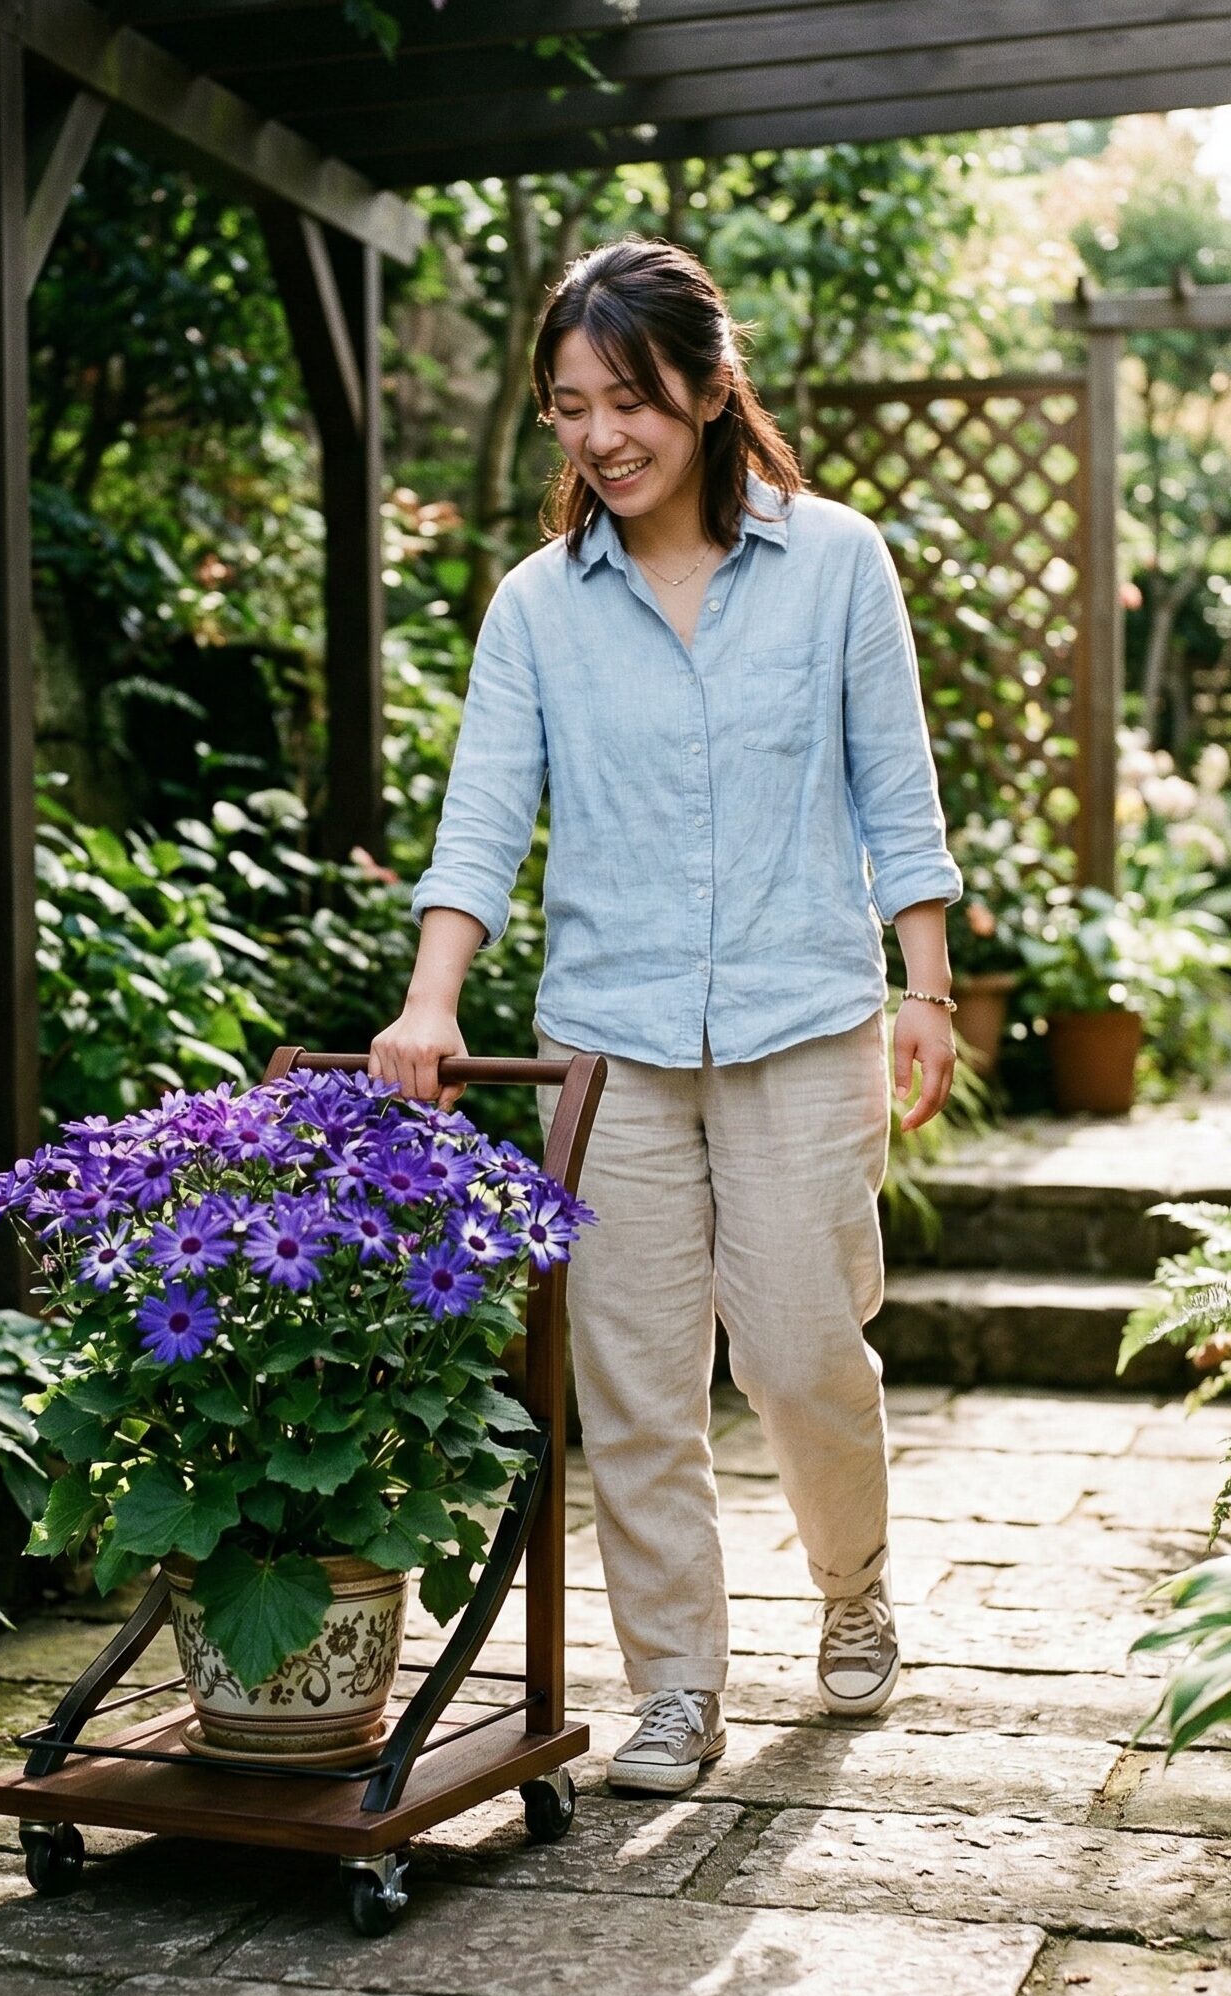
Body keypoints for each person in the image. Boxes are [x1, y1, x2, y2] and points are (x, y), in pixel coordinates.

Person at [368, 236, 961, 1797]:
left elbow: (896, 791)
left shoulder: (836, 562)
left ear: (705, 390)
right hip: (610, 1047)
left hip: (803, 1020)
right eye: (567, 410)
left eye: (625, 400)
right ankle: (678, 1689)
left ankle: (853, 1587)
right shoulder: (537, 609)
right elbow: (482, 819)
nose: (599, 438)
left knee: (799, 1347)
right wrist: (431, 1002)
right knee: (631, 1380)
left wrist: (928, 990)